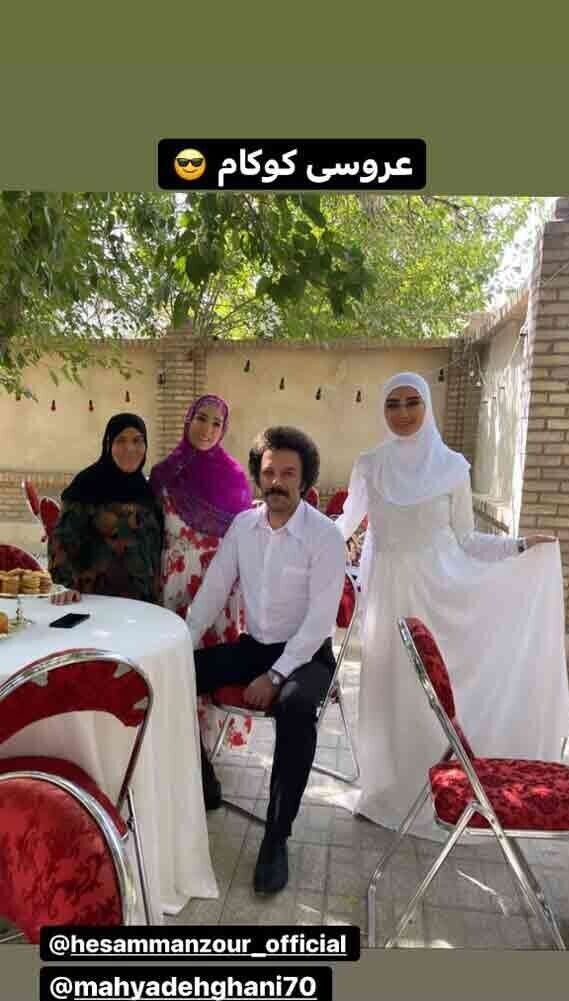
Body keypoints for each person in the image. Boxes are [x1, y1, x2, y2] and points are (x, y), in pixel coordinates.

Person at [336, 371, 569, 837]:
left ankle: (448, 790)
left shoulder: (452, 467)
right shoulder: (370, 465)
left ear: (427, 406)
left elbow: (465, 538)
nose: (403, 413)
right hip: (389, 595)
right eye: (393, 404)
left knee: (435, 698)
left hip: (443, 595)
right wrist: (291, 532)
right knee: (390, 693)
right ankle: (389, 792)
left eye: (412, 402)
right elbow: (345, 525)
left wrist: (519, 546)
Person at [188, 426, 346, 892]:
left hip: (307, 654)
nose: (277, 482)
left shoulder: (325, 536)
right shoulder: (244, 526)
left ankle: (276, 837)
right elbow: (214, 590)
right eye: (270, 472)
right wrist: (184, 641)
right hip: (255, 645)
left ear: (305, 478)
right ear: (258, 475)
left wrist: (275, 676)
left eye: (288, 473)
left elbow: (319, 622)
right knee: (176, 673)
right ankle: (202, 775)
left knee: (296, 708)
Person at [149, 395, 254, 762]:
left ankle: (208, 746)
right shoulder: (163, 474)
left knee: (213, 657)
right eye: (201, 418)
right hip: (174, 584)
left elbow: (246, 540)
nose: (207, 429)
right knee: (178, 656)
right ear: (188, 419)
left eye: (216, 423)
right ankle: (176, 741)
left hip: (220, 587)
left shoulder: (235, 478)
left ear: (224, 429)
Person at [48, 413, 163, 605]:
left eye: (137, 440)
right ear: (108, 445)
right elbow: (62, 541)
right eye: (121, 440)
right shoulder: (87, 484)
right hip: (95, 602)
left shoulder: (146, 490)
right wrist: (65, 586)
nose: (130, 448)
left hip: (142, 605)